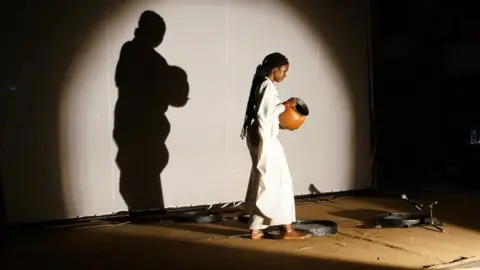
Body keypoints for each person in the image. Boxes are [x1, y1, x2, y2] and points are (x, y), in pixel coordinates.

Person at [241, 52, 312, 240]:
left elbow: (266, 114)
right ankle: (287, 230)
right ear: (274, 69)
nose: (285, 75)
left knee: (267, 182)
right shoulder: (267, 85)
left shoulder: (265, 85)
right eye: (284, 71)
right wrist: (285, 106)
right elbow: (265, 115)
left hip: (261, 136)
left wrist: (281, 115)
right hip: (265, 139)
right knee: (280, 183)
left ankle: (256, 228)